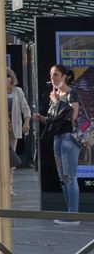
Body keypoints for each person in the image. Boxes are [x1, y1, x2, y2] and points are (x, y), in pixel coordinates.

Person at [33, 64, 81, 224]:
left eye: (55, 75)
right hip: (57, 138)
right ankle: (69, 213)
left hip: (68, 139)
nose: (52, 78)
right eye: (51, 75)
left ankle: (73, 215)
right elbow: (55, 121)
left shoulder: (71, 94)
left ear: (64, 76)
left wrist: (56, 101)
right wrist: (42, 118)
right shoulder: (56, 95)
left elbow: (72, 117)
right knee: (63, 178)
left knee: (70, 177)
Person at [6, 68, 31, 194]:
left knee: (10, 158)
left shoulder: (18, 91)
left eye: (8, 76)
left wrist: (27, 123)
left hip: (13, 128)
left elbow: (26, 108)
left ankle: (9, 186)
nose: (6, 79)